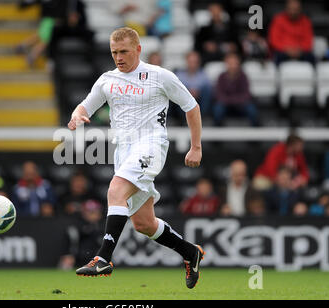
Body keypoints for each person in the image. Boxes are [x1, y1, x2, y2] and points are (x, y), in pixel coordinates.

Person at [67, 27, 205, 289]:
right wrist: (77, 115)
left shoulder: (160, 76)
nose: (118, 57)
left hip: (151, 146)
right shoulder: (107, 79)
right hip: (124, 152)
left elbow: (192, 107)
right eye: (114, 52)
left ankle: (103, 257)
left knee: (115, 190)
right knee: (143, 223)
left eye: (123, 51)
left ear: (138, 50)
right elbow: (86, 104)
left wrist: (195, 146)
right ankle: (190, 252)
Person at [212, 53, 259, 126]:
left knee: (251, 109)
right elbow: (218, 94)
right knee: (218, 109)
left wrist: (233, 100)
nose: (233, 66)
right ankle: (217, 129)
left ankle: (256, 129)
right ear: (226, 64)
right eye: (230, 63)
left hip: (240, 105)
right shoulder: (221, 77)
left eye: (235, 63)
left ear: (238, 64)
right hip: (226, 105)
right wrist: (230, 100)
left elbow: (246, 94)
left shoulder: (243, 76)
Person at [268, 0, 314, 66]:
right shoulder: (278, 20)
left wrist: (299, 50)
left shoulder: (306, 21)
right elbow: (274, 40)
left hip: (301, 52)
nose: (293, 12)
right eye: (291, 9)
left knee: (312, 58)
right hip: (283, 51)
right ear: (286, 9)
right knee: (276, 57)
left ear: (300, 9)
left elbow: (308, 42)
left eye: (296, 9)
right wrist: (287, 49)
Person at [174, 51, 212, 117]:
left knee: (207, 90)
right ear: (186, 61)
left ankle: (201, 116)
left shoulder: (203, 74)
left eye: (195, 62)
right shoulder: (180, 74)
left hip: (199, 99)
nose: (192, 64)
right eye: (190, 62)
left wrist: (197, 91)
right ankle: (182, 118)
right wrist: (189, 92)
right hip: (184, 99)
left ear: (198, 63)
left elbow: (206, 86)